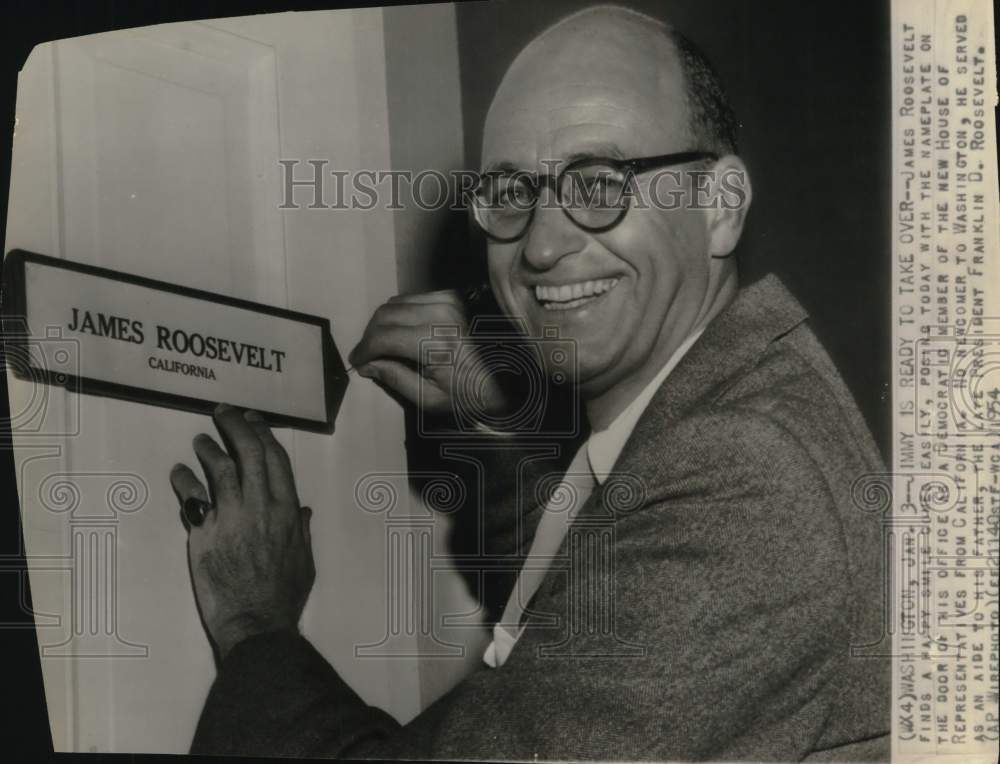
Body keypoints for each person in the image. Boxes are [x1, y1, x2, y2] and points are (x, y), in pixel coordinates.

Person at [169, 5, 891, 760]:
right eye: (513, 193)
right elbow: (602, 619)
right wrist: (495, 430)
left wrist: (255, 630)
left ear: (720, 207)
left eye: (600, 183)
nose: (542, 246)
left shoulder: (747, 475)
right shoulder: (724, 411)